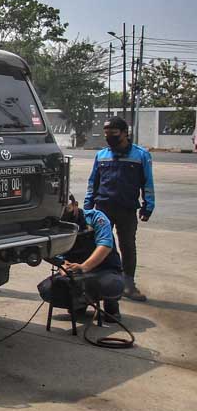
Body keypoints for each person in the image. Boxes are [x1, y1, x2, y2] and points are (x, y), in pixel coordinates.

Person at [83, 116, 155, 301]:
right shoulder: (101, 155)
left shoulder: (141, 155)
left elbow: (148, 183)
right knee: (99, 245)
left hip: (126, 209)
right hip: (102, 208)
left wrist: (148, 205)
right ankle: (96, 284)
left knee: (127, 246)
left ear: (124, 133)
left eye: (113, 133)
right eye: (106, 133)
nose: (109, 137)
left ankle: (128, 285)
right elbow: (93, 183)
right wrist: (87, 206)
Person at [49, 196, 125, 319]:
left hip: (104, 269)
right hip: (76, 272)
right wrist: (62, 265)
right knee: (49, 289)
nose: (63, 214)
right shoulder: (56, 225)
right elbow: (55, 251)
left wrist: (84, 267)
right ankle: (79, 304)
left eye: (66, 209)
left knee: (111, 285)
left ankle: (111, 305)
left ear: (75, 205)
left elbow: (105, 245)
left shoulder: (96, 217)